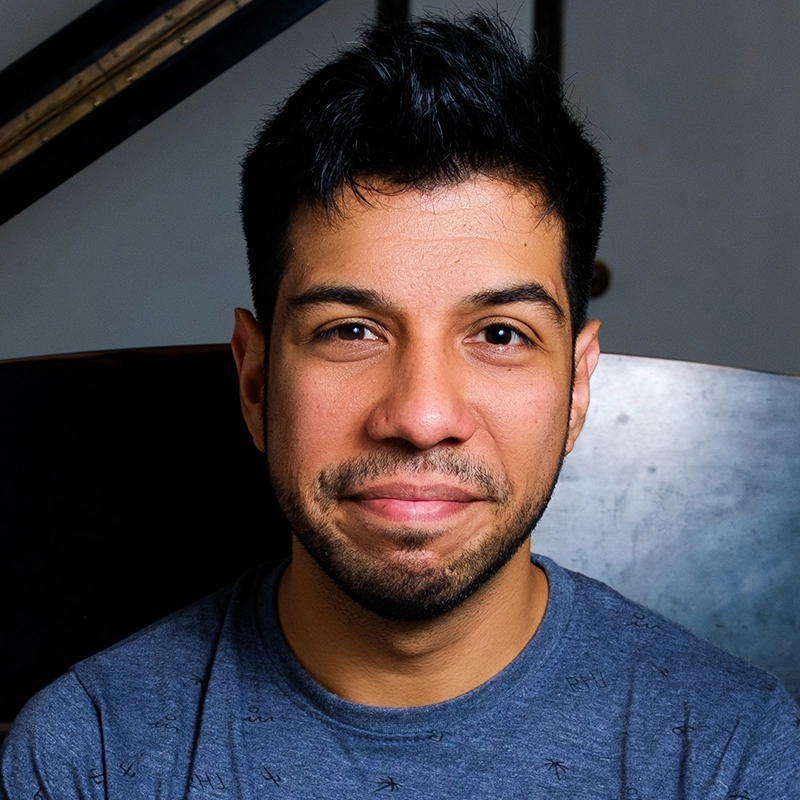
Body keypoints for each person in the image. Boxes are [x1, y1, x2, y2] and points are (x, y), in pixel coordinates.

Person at [2, 14, 799, 799]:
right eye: (351, 330)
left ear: (578, 386)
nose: (420, 416)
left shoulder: (732, 756)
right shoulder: (89, 757)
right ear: (254, 383)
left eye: (499, 333)